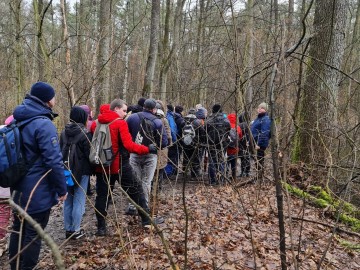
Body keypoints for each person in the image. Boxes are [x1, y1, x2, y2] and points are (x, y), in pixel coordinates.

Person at [9, 82, 67, 270]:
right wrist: (62, 188)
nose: (55, 100)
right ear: (47, 99)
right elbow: (54, 161)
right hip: (37, 191)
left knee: (17, 231)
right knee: (33, 235)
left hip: (17, 189)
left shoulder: (17, 118)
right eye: (54, 96)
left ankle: (14, 267)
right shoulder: (43, 123)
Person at [91, 99, 159, 236]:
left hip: (102, 167)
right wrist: (147, 149)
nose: (125, 113)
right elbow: (129, 145)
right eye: (123, 110)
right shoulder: (119, 123)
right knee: (136, 190)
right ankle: (146, 220)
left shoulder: (95, 123)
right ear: (115, 109)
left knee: (102, 196)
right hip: (119, 166)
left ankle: (101, 228)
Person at [127, 98, 168, 206]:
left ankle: (132, 205)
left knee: (135, 180)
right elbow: (164, 142)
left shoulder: (132, 118)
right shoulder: (158, 122)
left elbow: (125, 136)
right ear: (154, 109)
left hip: (134, 153)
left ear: (143, 106)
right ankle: (144, 206)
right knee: (146, 181)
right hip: (150, 155)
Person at [60, 106, 92, 240]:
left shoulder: (63, 132)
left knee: (68, 201)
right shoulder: (85, 134)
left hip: (65, 171)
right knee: (79, 200)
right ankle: (76, 230)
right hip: (81, 172)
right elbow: (90, 155)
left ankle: (68, 229)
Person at [205, 104, 231, 185]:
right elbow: (228, 130)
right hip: (222, 144)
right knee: (221, 160)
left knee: (212, 161)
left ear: (213, 110)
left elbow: (204, 130)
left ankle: (212, 181)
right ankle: (221, 180)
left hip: (211, 144)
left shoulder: (209, 119)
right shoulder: (226, 120)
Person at [251, 102, 271, 179]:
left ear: (265, 110)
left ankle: (259, 177)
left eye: (262, 108)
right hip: (255, 142)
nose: (259, 109)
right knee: (256, 160)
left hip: (260, 144)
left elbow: (264, 133)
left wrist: (259, 144)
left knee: (259, 159)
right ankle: (258, 175)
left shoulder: (266, 119)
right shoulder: (258, 119)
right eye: (259, 108)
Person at [79, 104, 95, 196]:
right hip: (89, 149)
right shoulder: (91, 123)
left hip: (78, 154)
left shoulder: (77, 123)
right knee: (86, 170)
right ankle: (87, 190)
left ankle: (86, 189)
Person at [226, 113, 243, 180]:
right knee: (234, 164)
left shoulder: (226, 126)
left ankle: (225, 176)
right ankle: (234, 177)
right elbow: (241, 137)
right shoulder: (238, 127)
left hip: (226, 149)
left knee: (226, 163)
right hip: (235, 149)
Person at [238, 112, 252, 177]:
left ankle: (243, 172)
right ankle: (247, 172)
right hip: (249, 143)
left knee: (243, 157)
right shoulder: (250, 125)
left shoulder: (240, 125)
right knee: (247, 157)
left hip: (242, 143)